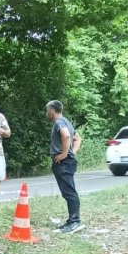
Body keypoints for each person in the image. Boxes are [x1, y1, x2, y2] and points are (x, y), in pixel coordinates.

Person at [46, 100, 84, 233]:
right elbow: (78, 139)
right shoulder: (67, 121)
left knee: (69, 192)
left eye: (47, 111)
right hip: (68, 161)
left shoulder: (59, 122)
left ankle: (75, 222)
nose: (47, 114)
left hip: (63, 162)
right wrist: (72, 152)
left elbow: (67, 136)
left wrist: (64, 154)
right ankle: (72, 220)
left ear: (51, 110)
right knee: (69, 191)